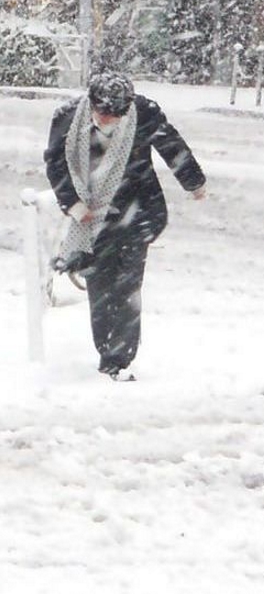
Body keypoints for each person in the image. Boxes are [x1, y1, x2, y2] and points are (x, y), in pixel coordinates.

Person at [44, 72, 207, 382]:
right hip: (91, 217)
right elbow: (55, 162)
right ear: (90, 103)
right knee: (100, 286)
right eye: (103, 113)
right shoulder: (67, 118)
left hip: (137, 211)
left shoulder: (142, 113)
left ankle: (118, 359)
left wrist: (193, 182)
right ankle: (106, 350)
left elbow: (170, 145)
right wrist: (74, 204)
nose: (108, 120)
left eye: (116, 115)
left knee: (128, 286)